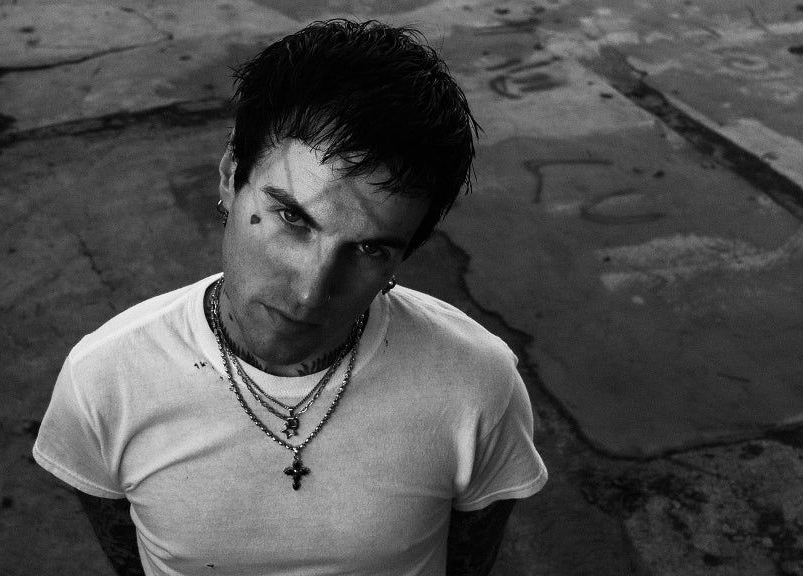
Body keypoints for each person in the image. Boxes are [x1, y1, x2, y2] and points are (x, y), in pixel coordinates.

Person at [33, 19, 547, 576]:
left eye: (369, 249)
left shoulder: (476, 384)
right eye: (292, 217)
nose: (309, 293)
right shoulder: (104, 381)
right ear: (231, 176)